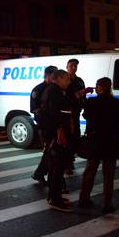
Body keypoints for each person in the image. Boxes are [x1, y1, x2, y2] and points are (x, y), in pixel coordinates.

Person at [78, 77, 119, 214]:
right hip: (110, 142)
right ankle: (107, 203)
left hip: (94, 140)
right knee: (108, 174)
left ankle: (84, 199)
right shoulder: (116, 102)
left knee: (90, 171)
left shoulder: (92, 101)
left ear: (99, 87)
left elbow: (86, 115)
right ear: (109, 87)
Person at [39, 69, 74, 212]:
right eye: (66, 79)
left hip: (54, 133)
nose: (69, 81)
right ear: (58, 78)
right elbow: (54, 113)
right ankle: (55, 199)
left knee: (56, 167)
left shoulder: (54, 90)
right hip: (55, 135)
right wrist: (60, 131)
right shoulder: (54, 91)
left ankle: (53, 195)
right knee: (57, 167)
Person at [65, 58, 93, 175]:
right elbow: (68, 98)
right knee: (67, 138)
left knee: (75, 137)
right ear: (67, 66)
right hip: (66, 114)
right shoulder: (64, 80)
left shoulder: (79, 81)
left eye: (75, 66)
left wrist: (86, 107)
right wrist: (83, 92)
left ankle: (70, 160)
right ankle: (66, 164)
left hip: (76, 113)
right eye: (71, 65)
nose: (73, 67)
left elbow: (83, 99)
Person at [30, 65, 58, 184]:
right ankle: (41, 174)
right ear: (47, 76)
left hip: (54, 125)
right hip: (45, 126)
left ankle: (40, 174)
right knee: (49, 152)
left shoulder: (54, 88)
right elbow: (35, 109)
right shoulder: (38, 89)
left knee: (50, 152)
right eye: (54, 75)